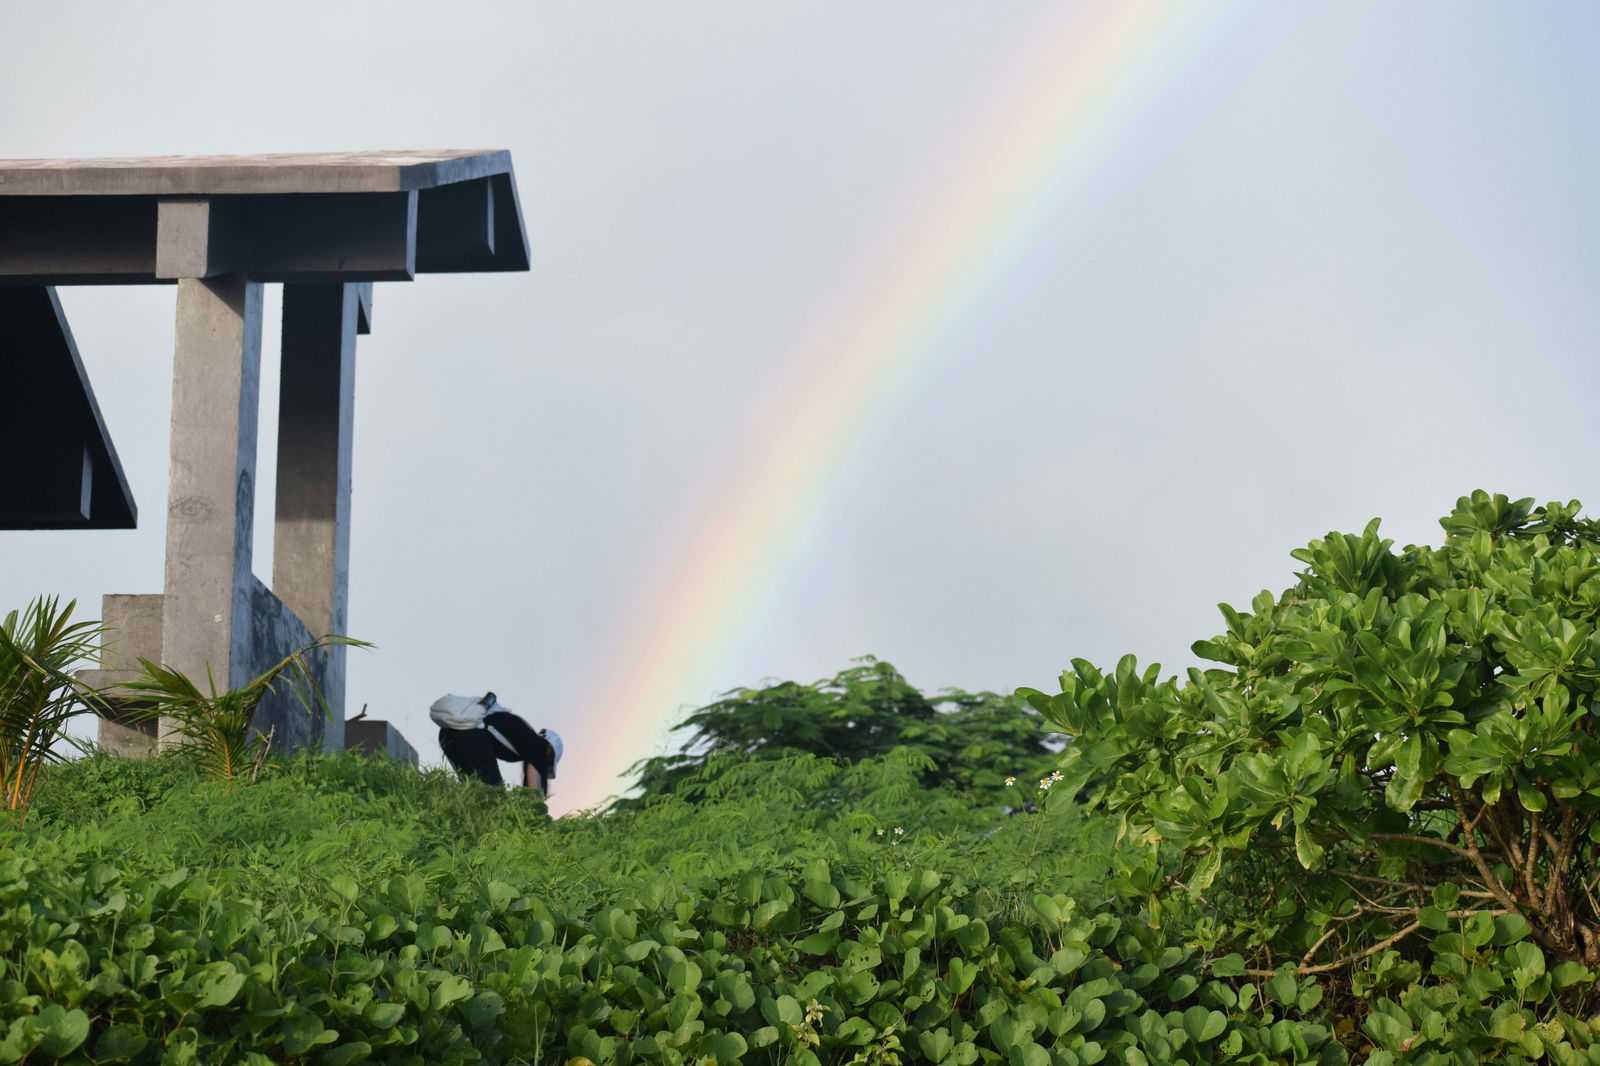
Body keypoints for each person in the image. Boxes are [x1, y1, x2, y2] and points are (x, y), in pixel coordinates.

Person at [431, 692, 563, 795]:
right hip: (472, 734)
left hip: (447, 733)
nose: (545, 766)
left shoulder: (523, 735)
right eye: (549, 762)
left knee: (472, 790)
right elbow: (533, 794)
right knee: (494, 795)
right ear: (549, 750)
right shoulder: (539, 746)